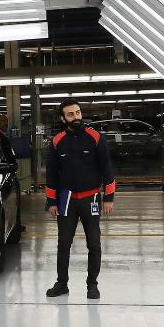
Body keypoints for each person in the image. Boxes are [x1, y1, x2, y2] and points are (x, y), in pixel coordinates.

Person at [44, 99, 116, 300]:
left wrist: (108, 197)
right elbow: (51, 174)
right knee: (63, 244)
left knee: (94, 243)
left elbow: (107, 168)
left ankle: (92, 285)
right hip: (66, 199)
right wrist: (51, 202)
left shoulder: (95, 137)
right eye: (70, 114)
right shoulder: (57, 141)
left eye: (77, 113)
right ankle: (62, 284)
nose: (75, 117)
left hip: (91, 198)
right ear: (63, 118)